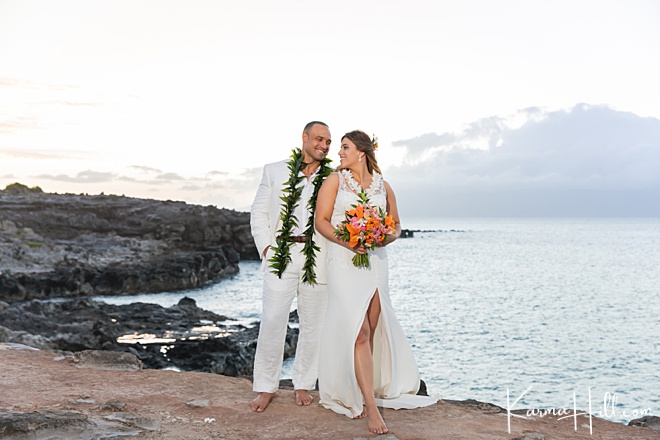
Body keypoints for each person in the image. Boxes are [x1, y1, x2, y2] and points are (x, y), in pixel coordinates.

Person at [314, 130, 439, 434]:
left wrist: (384, 238)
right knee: (358, 332)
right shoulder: (335, 180)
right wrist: (348, 240)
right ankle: (371, 408)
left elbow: (395, 225)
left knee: (370, 330)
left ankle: (361, 387)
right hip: (344, 261)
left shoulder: (384, 186)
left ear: (361, 151)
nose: (338, 152)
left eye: (344, 147)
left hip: (375, 263)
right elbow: (321, 221)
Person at [249, 121, 333, 412]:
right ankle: (265, 387)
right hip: (281, 255)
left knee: (313, 325)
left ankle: (303, 384)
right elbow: (258, 211)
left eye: (329, 142)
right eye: (319, 139)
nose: (324, 145)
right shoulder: (274, 170)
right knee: (273, 319)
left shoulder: (332, 177)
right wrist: (266, 248)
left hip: (317, 258)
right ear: (305, 138)